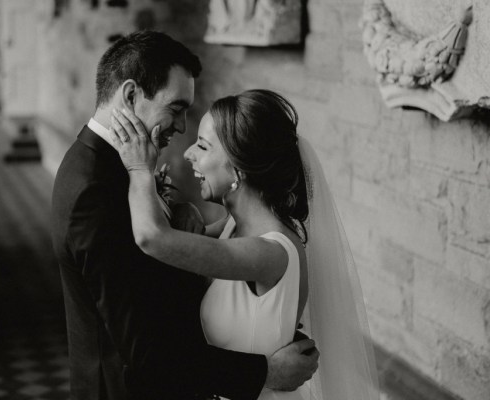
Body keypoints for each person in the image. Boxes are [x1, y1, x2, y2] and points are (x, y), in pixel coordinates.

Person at [51, 31, 320, 400]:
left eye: (203, 143)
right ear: (131, 96)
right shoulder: (94, 190)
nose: (181, 130)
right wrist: (264, 370)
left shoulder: (122, 172)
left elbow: (165, 265)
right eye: (176, 109)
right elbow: (143, 350)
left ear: (240, 168)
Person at [108, 89, 380, 399]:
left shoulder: (270, 253)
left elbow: (152, 238)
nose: (188, 154)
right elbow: (178, 245)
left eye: (203, 146)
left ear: (238, 169)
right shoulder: (235, 226)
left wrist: (139, 169)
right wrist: (185, 209)